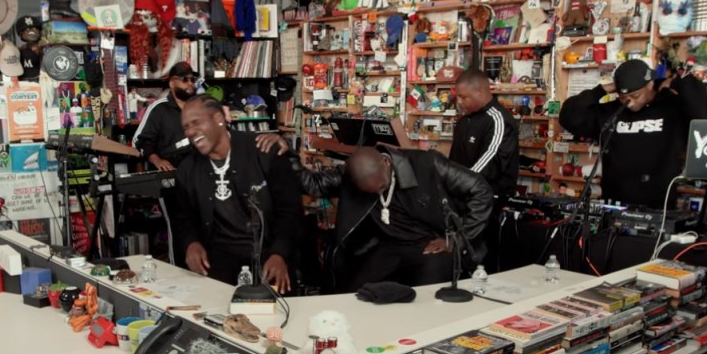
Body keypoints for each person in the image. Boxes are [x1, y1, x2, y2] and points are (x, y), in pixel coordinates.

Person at [286, 145, 492, 292]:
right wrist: (288, 154)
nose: (378, 193)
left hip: (432, 244)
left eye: (382, 187)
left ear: (386, 163)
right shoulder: (350, 173)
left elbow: (481, 191)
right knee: (355, 295)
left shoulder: (427, 163)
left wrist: (455, 238)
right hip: (386, 246)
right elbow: (313, 184)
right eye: (369, 192)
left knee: (427, 298)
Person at [172, 95, 303, 292]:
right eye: (186, 127)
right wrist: (191, 243)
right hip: (218, 263)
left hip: (268, 258)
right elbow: (183, 217)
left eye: (196, 123)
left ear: (218, 118)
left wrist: (280, 253)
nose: (190, 132)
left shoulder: (263, 151)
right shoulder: (187, 169)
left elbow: (290, 211)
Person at [559, 59, 707, 208]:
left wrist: (679, 83)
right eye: (623, 97)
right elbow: (569, 117)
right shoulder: (612, 112)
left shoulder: (672, 107)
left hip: (659, 207)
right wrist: (602, 90)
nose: (629, 103)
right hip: (613, 204)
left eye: (635, 95)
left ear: (650, 85)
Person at [449, 68, 520, 198]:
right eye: (457, 96)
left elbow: (489, 162)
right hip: (463, 195)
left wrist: (458, 183)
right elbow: (455, 160)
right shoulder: (464, 121)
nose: (459, 101)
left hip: (488, 199)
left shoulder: (498, 120)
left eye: (463, 97)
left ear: (480, 92)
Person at [131, 61, 198, 171]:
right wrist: (157, 160)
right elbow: (140, 141)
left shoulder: (201, 107)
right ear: (172, 83)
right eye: (185, 79)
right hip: (170, 174)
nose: (190, 83)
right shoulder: (158, 108)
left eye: (192, 79)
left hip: (199, 172)